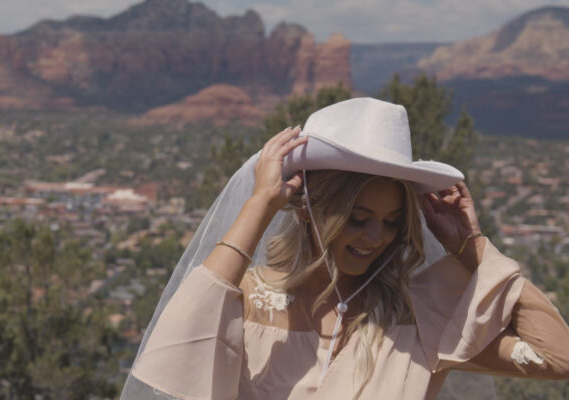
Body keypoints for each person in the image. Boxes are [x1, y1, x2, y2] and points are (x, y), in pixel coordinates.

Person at [120, 98, 569, 399]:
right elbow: (176, 345)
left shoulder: (418, 315)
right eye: (357, 219)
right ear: (308, 210)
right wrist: (260, 203)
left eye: (392, 223)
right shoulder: (247, 302)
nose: (375, 238)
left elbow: (557, 357)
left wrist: (472, 246)